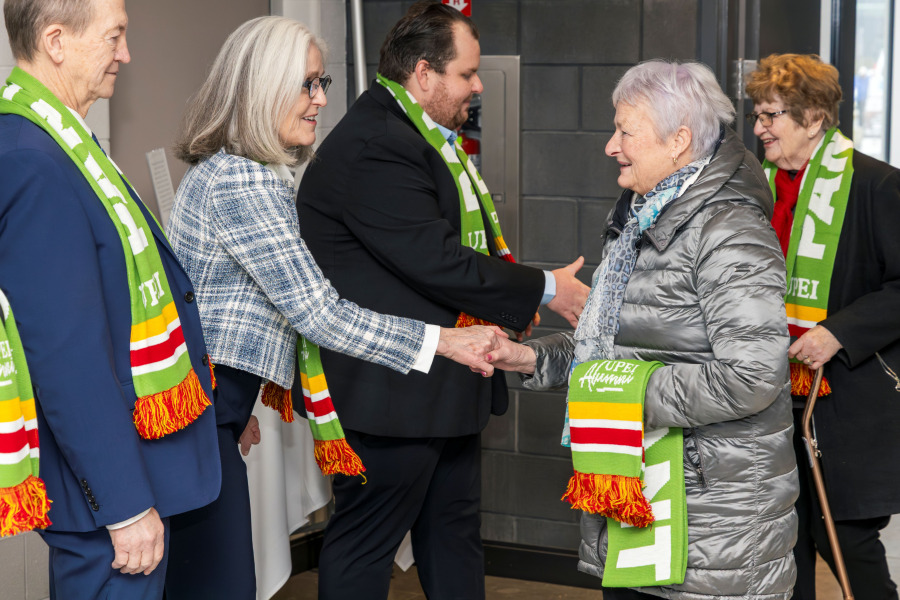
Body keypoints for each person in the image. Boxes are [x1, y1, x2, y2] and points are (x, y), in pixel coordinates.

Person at [164, 15, 509, 600]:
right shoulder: (243, 182)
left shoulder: (237, 173)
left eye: (322, 83)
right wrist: (442, 341)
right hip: (208, 405)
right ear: (264, 88)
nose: (321, 99)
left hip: (217, 401)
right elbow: (317, 310)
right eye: (309, 84)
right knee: (217, 583)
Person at [296, 2, 590, 598]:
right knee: (367, 542)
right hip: (391, 394)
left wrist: (518, 295)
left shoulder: (420, 133)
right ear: (424, 74)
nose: (477, 87)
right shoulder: (380, 142)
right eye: (467, 74)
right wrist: (548, 287)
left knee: (453, 535)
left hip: (443, 385)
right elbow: (435, 260)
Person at [486, 60, 799, 600]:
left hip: (711, 518)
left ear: (679, 141)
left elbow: (751, 376)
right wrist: (531, 359)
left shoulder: (730, 232)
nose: (611, 145)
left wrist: (620, 397)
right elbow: (615, 347)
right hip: (647, 494)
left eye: (625, 131)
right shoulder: (645, 215)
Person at [0, 0, 221, 598]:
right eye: (115, 36)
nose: (126, 54)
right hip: (106, 491)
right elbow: (64, 352)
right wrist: (122, 506)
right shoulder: (32, 157)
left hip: (134, 465)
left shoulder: (61, 139)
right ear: (55, 41)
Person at [746, 53, 900, 600]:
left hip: (843, 400)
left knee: (846, 542)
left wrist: (840, 331)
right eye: (758, 114)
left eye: (771, 115)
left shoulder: (876, 185)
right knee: (783, 543)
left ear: (814, 119)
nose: (760, 127)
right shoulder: (755, 187)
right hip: (766, 394)